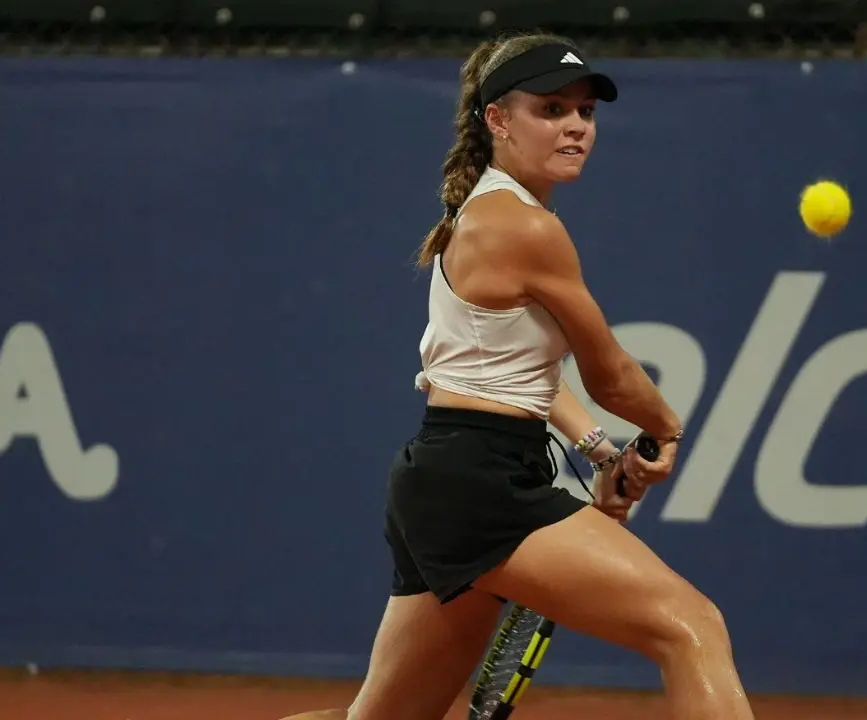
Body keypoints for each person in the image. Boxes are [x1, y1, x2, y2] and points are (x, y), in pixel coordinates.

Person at [281, 31, 756, 720]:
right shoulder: (524, 227)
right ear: (498, 120)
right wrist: (665, 429)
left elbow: (515, 374)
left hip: (445, 479)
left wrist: (602, 450)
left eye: (585, 111)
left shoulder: (485, 211)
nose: (575, 126)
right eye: (551, 109)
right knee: (691, 626)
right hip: (478, 482)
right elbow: (611, 373)